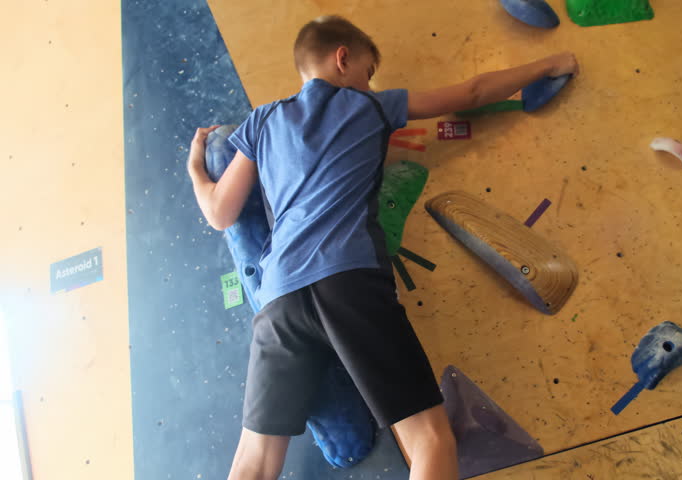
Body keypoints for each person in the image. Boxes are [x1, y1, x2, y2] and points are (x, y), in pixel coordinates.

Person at [187, 15, 579, 480]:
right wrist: (550, 64)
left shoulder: (262, 121)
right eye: (368, 72)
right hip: (348, 282)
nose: (370, 84)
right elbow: (473, 92)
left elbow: (219, 213)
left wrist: (196, 169)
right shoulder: (369, 106)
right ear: (343, 59)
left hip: (278, 301)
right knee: (430, 440)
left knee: (253, 459)